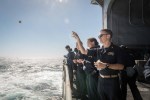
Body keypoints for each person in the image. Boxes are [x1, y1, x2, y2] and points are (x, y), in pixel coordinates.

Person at [72, 29, 124, 100]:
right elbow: (83, 51)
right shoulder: (99, 50)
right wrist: (77, 38)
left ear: (108, 36)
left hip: (112, 82)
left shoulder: (117, 49)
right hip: (101, 81)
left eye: (100, 35)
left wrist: (105, 65)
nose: (99, 37)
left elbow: (121, 66)